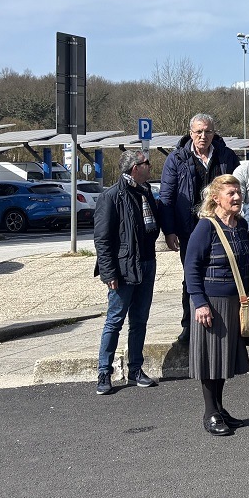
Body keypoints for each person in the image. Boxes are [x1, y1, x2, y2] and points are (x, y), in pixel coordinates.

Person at [159, 113, 241, 337]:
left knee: (223, 273)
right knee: (191, 275)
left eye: (208, 131)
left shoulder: (227, 156)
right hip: (190, 229)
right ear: (190, 133)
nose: (203, 136)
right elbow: (166, 197)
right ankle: (189, 324)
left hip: (223, 226)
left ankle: (229, 320)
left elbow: (238, 191)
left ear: (214, 133)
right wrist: (169, 230)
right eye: (199, 132)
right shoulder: (176, 159)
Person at [184, 175, 249, 436]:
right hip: (210, 302)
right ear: (216, 198)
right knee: (211, 360)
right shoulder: (206, 227)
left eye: (238, 192)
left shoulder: (241, 225)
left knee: (223, 360)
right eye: (231, 193)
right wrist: (199, 303)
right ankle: (210, 412)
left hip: (235, 301)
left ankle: (220, 409)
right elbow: (191, 267)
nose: (237, 197)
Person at [94, 148, 161, 395]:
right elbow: (102, 239)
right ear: (135, 168)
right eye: (147, 163)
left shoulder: (146, 193)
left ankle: (135, 370)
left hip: (147, 263)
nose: (150, 167)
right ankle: (104, 371)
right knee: (115, 320)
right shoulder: (112, 196)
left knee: (140, 321)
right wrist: (108, 273)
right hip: (123, 269)